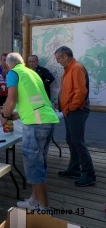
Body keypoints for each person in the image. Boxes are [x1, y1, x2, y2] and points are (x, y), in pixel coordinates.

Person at [0, 52, 59, 211]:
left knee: (34, 167)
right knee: (39, 163)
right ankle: (34, 200)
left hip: (35, 125)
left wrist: (5, 116)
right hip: (47, 121)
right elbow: (36, 100)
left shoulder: (13, 73)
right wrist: (17, 115)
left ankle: (45, 210)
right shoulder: (31, 72)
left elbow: (11, 99)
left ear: (8, 65)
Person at [54, 46, 96, 187]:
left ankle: (89, 174)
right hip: (70, 111)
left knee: (77, 141)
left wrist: (71, 107)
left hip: (76, 110)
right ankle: (74, 168)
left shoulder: (76, 68)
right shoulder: (69, 68)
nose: (58, 61)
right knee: (71, 140)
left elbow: (80, 92)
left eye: (58, 58)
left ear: (65, 56)